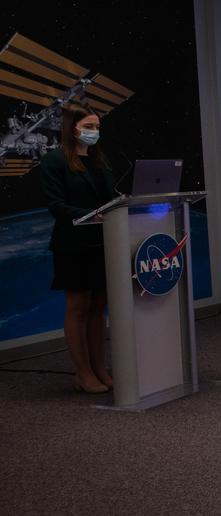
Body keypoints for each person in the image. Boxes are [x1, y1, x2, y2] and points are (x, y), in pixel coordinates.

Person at [37, 104, 114, 394]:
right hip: (73, 244)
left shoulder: (99, 160)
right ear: (72, 128)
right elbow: (56, 205)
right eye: (90, 127)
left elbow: (111, 198)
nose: (95, 132)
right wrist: (91, 215)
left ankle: (100, 369)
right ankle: (83, 373)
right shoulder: (55, 161)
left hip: (102, 242)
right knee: (79, 306)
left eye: (97, 127)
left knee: (98, 307)